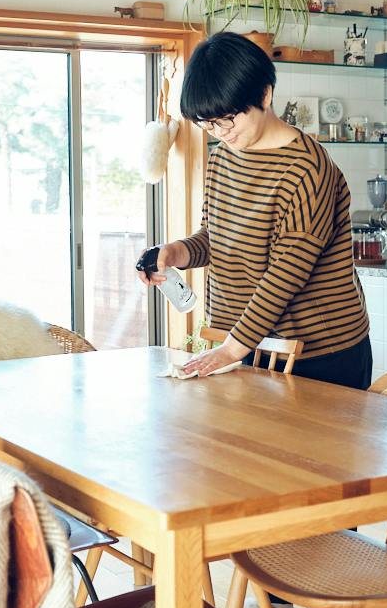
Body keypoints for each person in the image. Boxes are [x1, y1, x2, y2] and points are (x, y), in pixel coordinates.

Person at [137, 31, 372, 388]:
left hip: (318, 353)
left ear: (265, 94)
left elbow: (287, 273)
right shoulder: (222, 160)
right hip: (247, 343)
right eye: (208, 123)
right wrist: (176, 252)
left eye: (228, 119)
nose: (220, 132)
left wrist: (231, 350)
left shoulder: (308, 170)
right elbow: (214, 238)